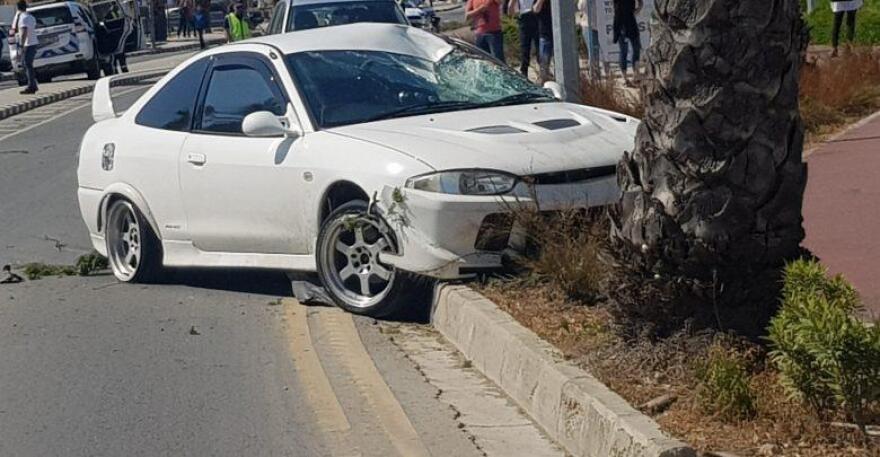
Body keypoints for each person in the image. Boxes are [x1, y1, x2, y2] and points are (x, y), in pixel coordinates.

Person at [12, 0, 38, 95]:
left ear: (17, 8)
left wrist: (21, 45)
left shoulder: (23, 18)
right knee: (27, 64)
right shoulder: (30, 17)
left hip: (28, 44)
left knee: (27, 64)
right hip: (33, 43)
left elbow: (24, 32)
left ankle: (31, 86)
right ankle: (32, 84)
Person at [507, 0, 539, 78]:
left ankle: (542, 70)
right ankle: (524, 71)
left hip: (534, 15)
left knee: (537, 45)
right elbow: (510, 11)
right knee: (525, 47)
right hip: (525, 17)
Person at [613, 0, 642, 86]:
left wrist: (637, 10)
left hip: (631, 21)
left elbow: (640, 2)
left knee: (636, 48)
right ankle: (625, 78)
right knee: (623, 51)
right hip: (620, 22)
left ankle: (636, 74)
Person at [533, 0, 551, 82]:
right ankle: (543, 81)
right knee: (544, 64)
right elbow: (535, 9)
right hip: (545, 34)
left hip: (559, 33)